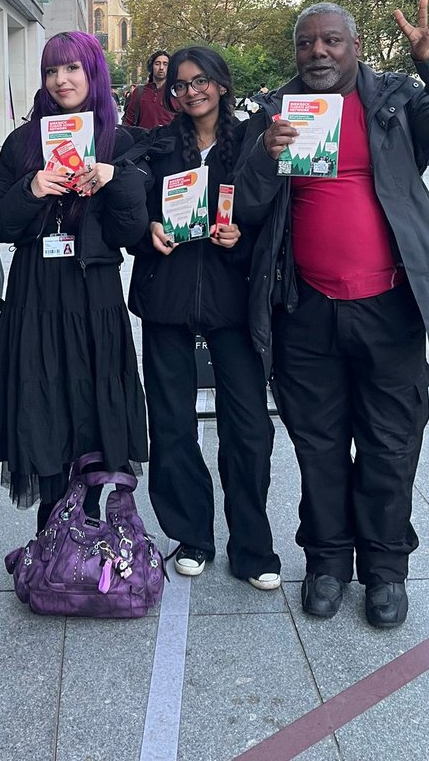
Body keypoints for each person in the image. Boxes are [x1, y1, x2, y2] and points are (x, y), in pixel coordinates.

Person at [235, 0, 429, 628]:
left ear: (355, 47)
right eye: (306, 44)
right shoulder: (274, 110)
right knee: (319, 445)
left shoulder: (399, 101)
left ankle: (385, 569)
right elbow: (242, 204)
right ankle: (326, 562)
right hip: (305, 309)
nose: (318, 53)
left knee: (389, 444)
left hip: (389, 307)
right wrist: (266, 154)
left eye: (331, 42)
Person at [128, 47, 280, 590]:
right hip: (166, 299)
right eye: (181, 85)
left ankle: (252, 544)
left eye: (202, 81)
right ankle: (192, 534)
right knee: (171, 422)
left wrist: (242, 238)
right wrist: (146, 227)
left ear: (220, 84)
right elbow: (131, 208)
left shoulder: (249, 146)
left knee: (248, 426)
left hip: (233, 299)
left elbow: (269, 217)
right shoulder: (157, 146)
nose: (192, 91)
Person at [0, 31, 149, 530]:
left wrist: (113, 178)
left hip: (94, 288)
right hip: (36, 287)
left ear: (93, 72)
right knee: (42, 398)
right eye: (52, 71)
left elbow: (132, 232)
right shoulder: (23, 141)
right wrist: (32, 188)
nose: (61, 80)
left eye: (72, 68)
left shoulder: (119, 141)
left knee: (94, 397)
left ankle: (91, 517)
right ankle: (52, 528)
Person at [123, 50, 175, 128]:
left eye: (165, 64)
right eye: (157, 64)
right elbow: (128, 121)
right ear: (151, 67)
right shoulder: (139, 92)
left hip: (169, 139)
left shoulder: (176, 93)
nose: (161, 68)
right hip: (143, 138)